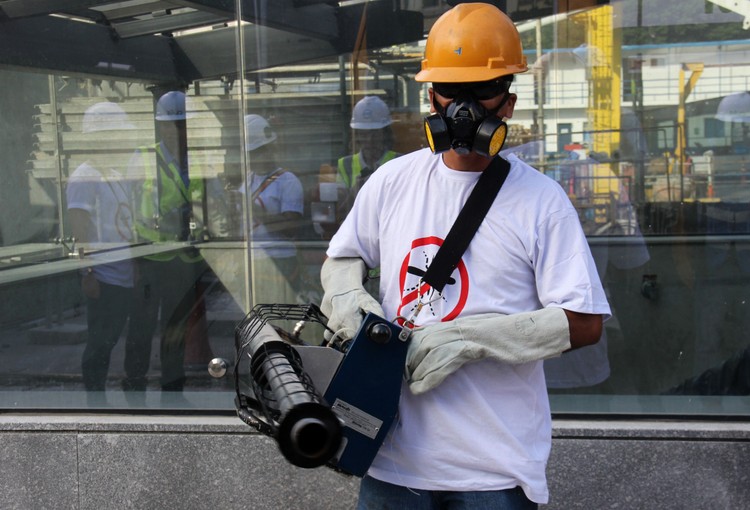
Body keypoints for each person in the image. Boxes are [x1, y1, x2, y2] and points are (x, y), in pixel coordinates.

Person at [320, 4, 610, 508]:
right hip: (392, 461)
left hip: (492, 471)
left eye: (483, 90)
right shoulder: (393, 181)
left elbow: (584, 323)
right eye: (452, 90)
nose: (464, 107)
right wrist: (347, 297)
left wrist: (472, 338)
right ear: (430, 94)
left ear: (509, 102)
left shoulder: (541, 201)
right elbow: (343, 256)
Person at [125, 90, 210, 401]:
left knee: (174, 328)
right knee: (142, 328)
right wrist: (133, 260)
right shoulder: (144, 158)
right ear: (161, 127)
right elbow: (130, 211)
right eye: (172, 125)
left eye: (183, 124)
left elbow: (204, 207)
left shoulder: (197, 159)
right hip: (150, 258)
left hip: (184, 259)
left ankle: (172, 389)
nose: (178, 131)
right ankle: (133, 386)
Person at [67, 102, 137, 406]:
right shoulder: (85, 177)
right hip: (104, 275)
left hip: (122, 274)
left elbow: (124, 224)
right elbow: (80, 230)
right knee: (99, 343)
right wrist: (88, 272)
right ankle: (96, 400)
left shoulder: (112, 173)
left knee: (110, 340)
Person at [239, 113, 305, 304]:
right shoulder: (248, 180)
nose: (257, 157)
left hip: (281, 260)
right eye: (253, 153)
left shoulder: (287, 181)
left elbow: (291, 228)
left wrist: (254, 210)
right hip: (254, 259)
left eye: (261, 150)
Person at [314, 96, 400, 239]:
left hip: (391, 234)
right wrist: (355, 192)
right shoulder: (345, 164)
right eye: (364, 134)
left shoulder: (399, 161)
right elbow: (340, 210)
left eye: (375, 134)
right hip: (357, 235)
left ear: (384, 133)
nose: (369, 140)